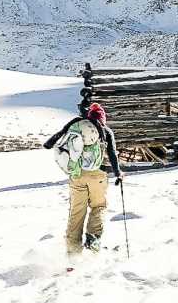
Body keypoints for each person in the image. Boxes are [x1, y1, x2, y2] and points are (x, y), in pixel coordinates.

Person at [43, 102, 123, 255]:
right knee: (99, 206)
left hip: (77, 175)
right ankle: (93, 238)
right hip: (97, 175)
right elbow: (112, 154)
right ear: (102, 118)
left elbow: (59, 141)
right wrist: (118, 173)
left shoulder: (77, 127)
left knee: (76, 212)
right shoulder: (105, 131)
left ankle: (73, 252)